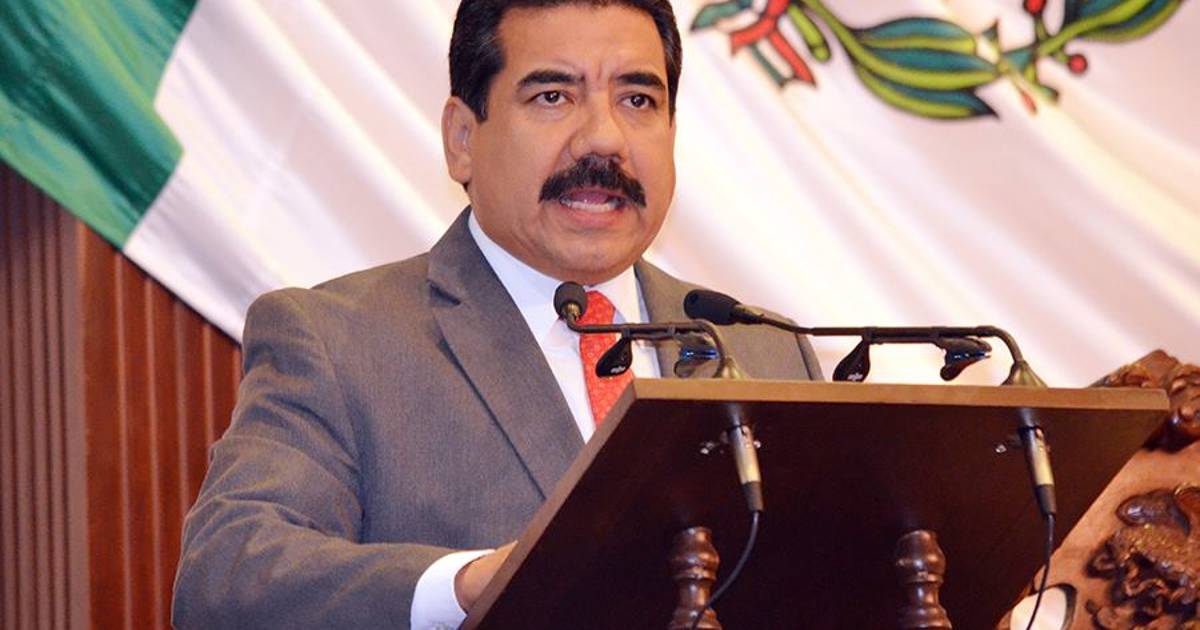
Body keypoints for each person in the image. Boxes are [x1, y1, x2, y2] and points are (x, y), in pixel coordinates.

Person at [172, 1, 822, 628]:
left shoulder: (764, 349)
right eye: (553, 96)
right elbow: (227, 578)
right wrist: (464, 587)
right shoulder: (340, 342)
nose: (604, 138)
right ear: (462, 138)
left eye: (637, 100)